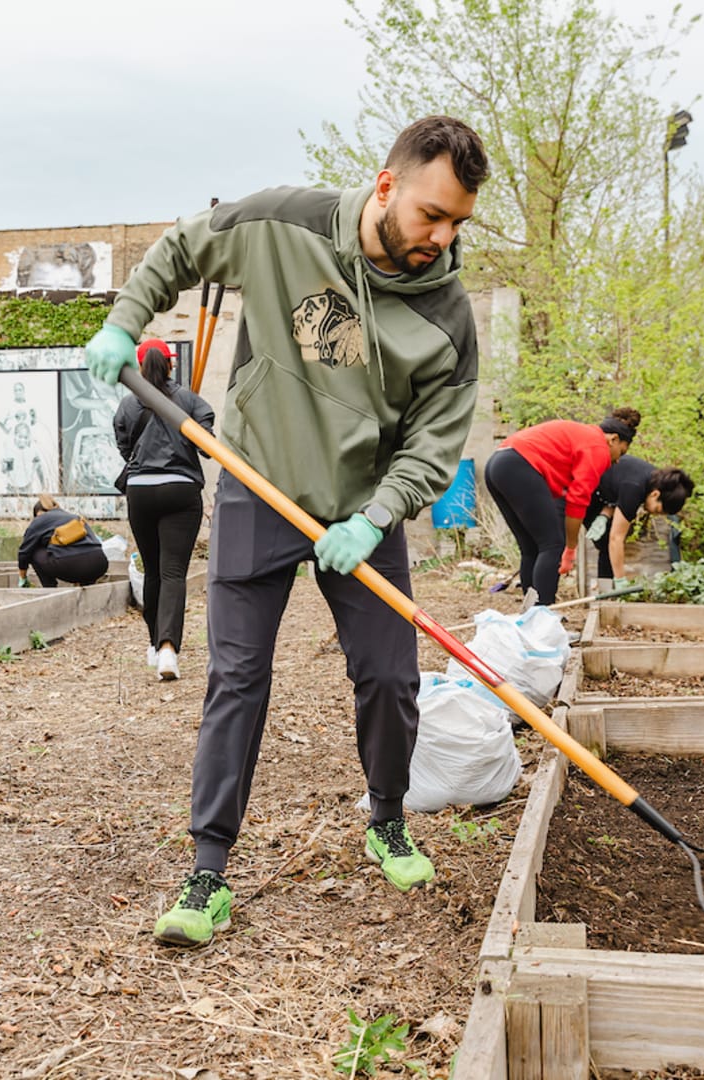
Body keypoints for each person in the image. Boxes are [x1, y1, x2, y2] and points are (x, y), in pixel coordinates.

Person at [83, 114, 490, 946]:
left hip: (363, 511)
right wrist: (126, 319)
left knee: (389, 677)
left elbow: (436, 441)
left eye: (458, 224)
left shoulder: (446, 314)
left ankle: (386, 819)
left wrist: (376, 517)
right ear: (386, 186)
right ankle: (207, 872)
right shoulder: (283, 225)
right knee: (237, 678)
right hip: (258, 488)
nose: (442, 239)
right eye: (431, 216)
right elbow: (182, 247)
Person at [114, 339, 217, 682]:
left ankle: (155, 645)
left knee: (154, 572)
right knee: (173, 572)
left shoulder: (129, 404)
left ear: (140, 367)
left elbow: (125, 448)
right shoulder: (188, 399)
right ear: (170, 365)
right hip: (181, 490)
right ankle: (168, 649)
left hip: (140, 492)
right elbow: (207, 443)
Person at [483, 408, 640, 607]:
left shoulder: (584, 436)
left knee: (531, 548)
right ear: (613, 440)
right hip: (518, 463)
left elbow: (561, 497)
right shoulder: (598, 447)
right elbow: (578, 500)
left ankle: (533, 617)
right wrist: (570, 548)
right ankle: (544, 619)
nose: (618, 460)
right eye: (621, 452)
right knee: (553, 545)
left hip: (499, 463)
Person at [585, 462, 695, 581]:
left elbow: (618, 489)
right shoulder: (635, 488)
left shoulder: (653, 480)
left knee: (605, 543)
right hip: (581, 486)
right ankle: (609, 587)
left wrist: (605, 515)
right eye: (658, 510)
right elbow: (616, 538)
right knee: (608, 543)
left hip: (599, 492)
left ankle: (605, 588)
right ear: (655, 494)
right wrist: (621, 580)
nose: (655, 514)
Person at [15, 496, 108, 588]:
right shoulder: (75, 517)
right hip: (100, 564)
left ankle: (49, 589)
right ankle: (86, 586)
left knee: (34, 550)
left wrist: (22, 578)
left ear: (39, 513)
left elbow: (24, 552)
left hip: (73, 566)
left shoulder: (39, 520)